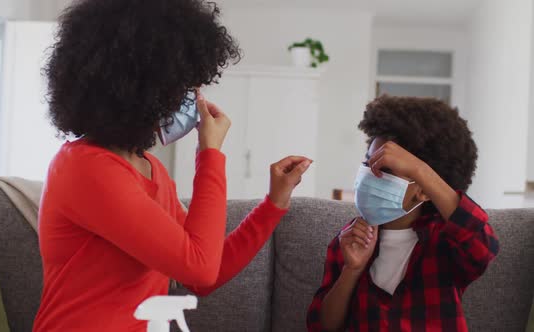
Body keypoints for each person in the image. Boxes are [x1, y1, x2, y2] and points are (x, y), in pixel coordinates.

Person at [32, 0, 312, 330]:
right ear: (141, 88)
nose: (195, 98)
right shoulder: (85, 168)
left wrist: (273, 204)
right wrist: (210, 153)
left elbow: (205, 277)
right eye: (184, 85)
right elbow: (200, 267)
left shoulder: (149, 168)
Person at [306, 95, 499, 332]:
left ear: (423, 190)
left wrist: (420, 170)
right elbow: (322, 327)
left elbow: (483, 246)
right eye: (368, 163)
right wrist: (351, 270)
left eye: (385, 169)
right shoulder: (350, 239)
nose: (369, 175)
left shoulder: (443, 240)